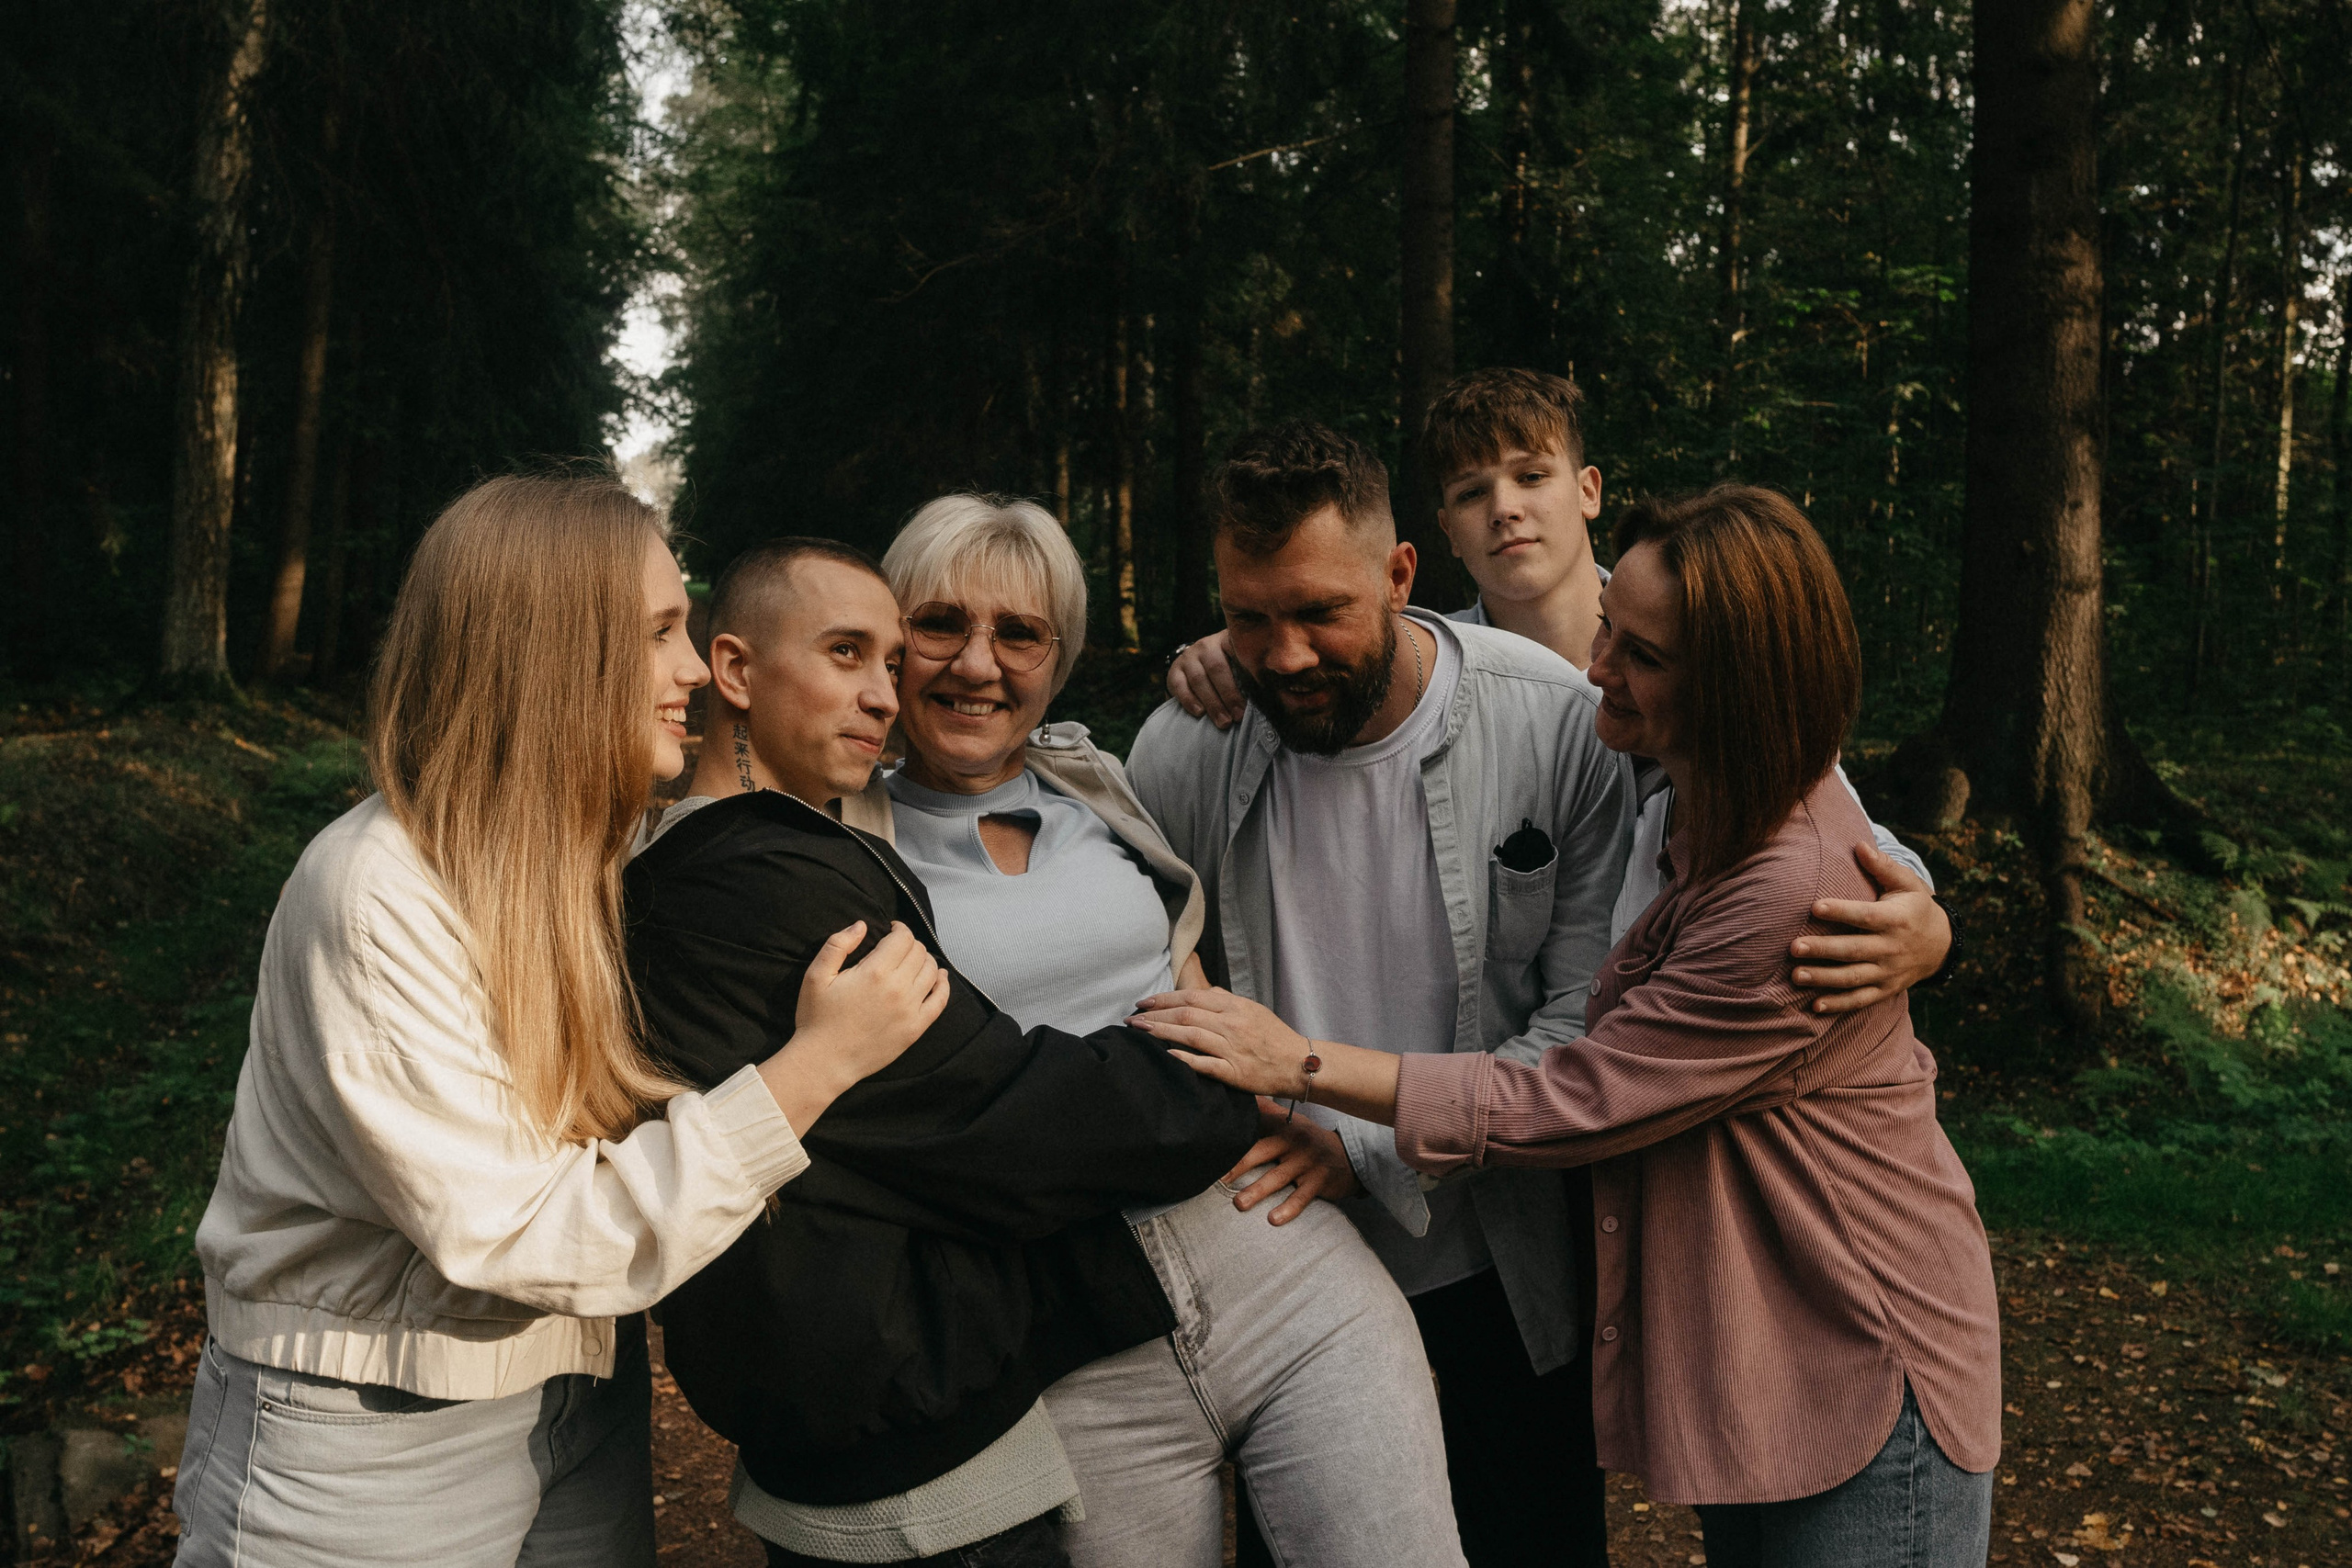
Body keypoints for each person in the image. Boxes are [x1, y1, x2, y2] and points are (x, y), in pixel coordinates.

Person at [1135, 484, 2003, 1568]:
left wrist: (1301, 1062)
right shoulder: (1687, 786)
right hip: (1759, 1357)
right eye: (1605, 631)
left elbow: (1576, 1098)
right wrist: (1221, 651)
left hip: (1860, 1350)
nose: (1595, 668)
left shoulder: (1788, 896)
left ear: (1732, 687)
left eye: (1638, 653)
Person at [175, 472, 951, 1568]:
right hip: (368, 1431)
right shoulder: (380, 891)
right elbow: (516, 1230)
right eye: (661, 632)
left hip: (576, 1381)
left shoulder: (589, 851)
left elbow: (868, 778)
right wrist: (808, 1072)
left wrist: (1206, 684)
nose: (694, 670)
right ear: (548, 654)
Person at [822, 494, 1464, 1568]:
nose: (977, 665)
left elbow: (1195, 971)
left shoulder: (1100, 783)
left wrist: (1230, 645)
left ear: (1059, 659)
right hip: (1067, 1344)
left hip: (1282, 1270)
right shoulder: (837, 844)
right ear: (894, 643)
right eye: (941, 626)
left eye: (1019, 635)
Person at [621, 539, 1262, 1568]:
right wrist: (1224, 1075)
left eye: (886, 662)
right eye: (843, 654)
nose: (883, 696)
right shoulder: (754, 881)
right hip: (907, 1471)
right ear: (734, 672)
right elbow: (997, 1117)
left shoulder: (730, 855)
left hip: (866, 1431)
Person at [1126, 420, 1635, 1566]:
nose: (1285, 655)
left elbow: (1580, 1037)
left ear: (1402, 574)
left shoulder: (1550, 721)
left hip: (1497, 1271)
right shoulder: (1181, 754)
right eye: (1249, 617)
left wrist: (1360, 1148)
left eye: (1319, 613)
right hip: (1277, 1277)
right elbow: (1147, 992)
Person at [1166, 366, 1951, 996]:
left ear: (1589, 490)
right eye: (1472, 492)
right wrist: (1237, 643)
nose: (1505, 509)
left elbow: (1815, 803)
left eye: (1531, 475)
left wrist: (1925, 918)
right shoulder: (1403, 686)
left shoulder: (1697, 644)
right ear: (1441, 531)